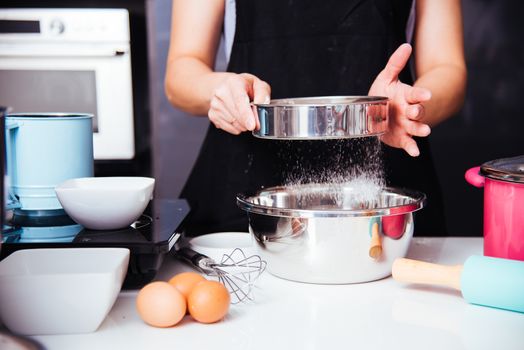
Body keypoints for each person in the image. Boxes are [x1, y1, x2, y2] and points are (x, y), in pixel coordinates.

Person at [165, 0, 467, 236]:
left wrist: (411, 107)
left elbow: (448, 68)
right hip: (249, 192)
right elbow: (182, 71)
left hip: (382, 198)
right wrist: (219, 91)